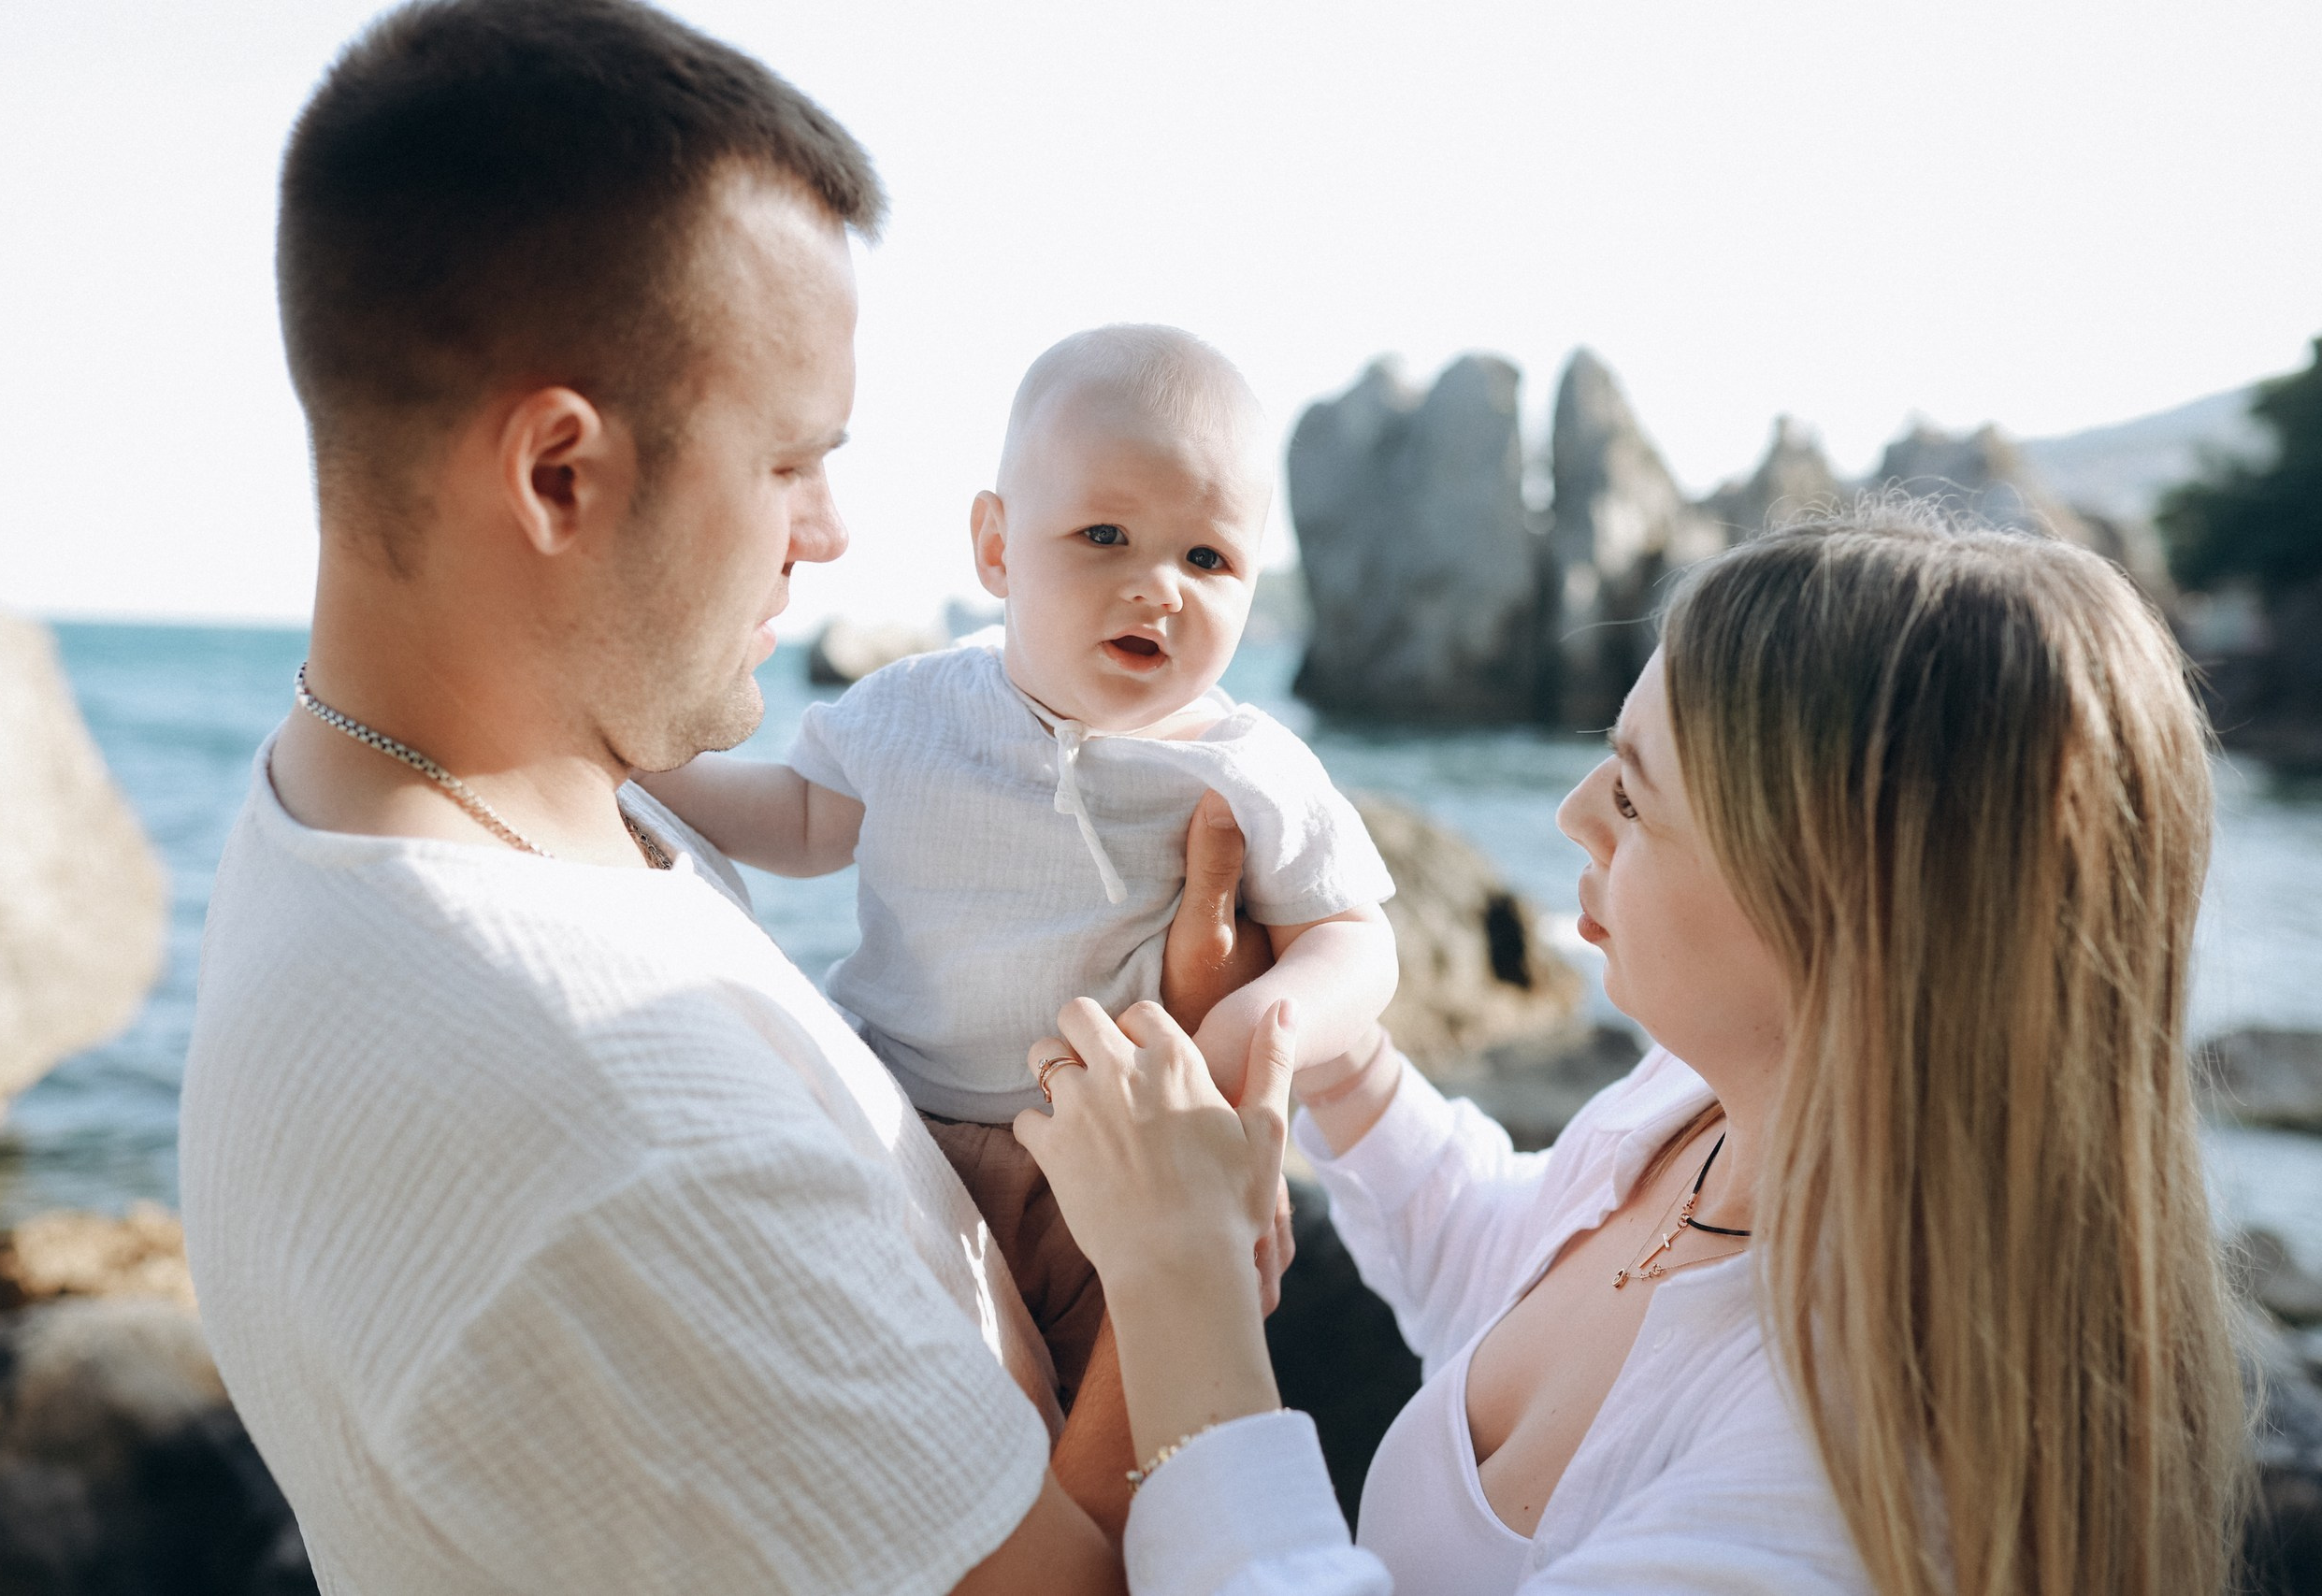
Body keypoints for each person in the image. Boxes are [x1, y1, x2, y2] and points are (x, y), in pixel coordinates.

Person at [177, 2, 1282, 1589]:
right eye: (788, 462)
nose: (827, 533)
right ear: (560, 472)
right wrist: (1191, 1238)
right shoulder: (604, 1123)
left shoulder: (381, 797)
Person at [1022, 507, 2252, 1595]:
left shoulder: (1860, 1464)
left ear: (1843, 902)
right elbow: (1497, 1257)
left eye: (1634, 795)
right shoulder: (1703, 1111)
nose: (1572, 814)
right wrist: (1329, 1053)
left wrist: (1177, 1272)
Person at [642, 324, 1398, 1406]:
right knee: (900, 1407)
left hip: (1116, 1167)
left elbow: (1357, 937)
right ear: (996, 547)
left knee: (1122, 1431)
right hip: (898, 1130)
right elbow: (805, 820)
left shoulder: (1248, 768)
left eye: (1206, 558)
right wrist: (636, 766)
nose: (1159, 587)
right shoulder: (918, 710)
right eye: (1104, 535)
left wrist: (1264, 1020)